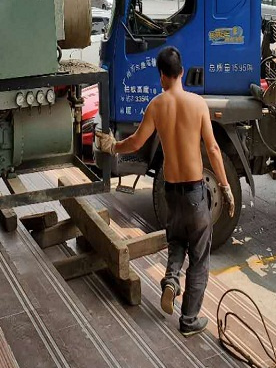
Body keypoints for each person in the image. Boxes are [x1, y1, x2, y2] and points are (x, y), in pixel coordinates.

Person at [95, 46, 235, 337]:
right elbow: (213, 148)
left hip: (170, 191)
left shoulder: (156, 106)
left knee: (177, 241)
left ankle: (171, 280)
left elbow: (135, 142)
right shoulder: (198, 105)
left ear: (161, 76)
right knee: (199, 256)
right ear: (181, 71)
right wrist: (225, 187)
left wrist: (112, 146)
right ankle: (189, 319)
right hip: (196, 193)